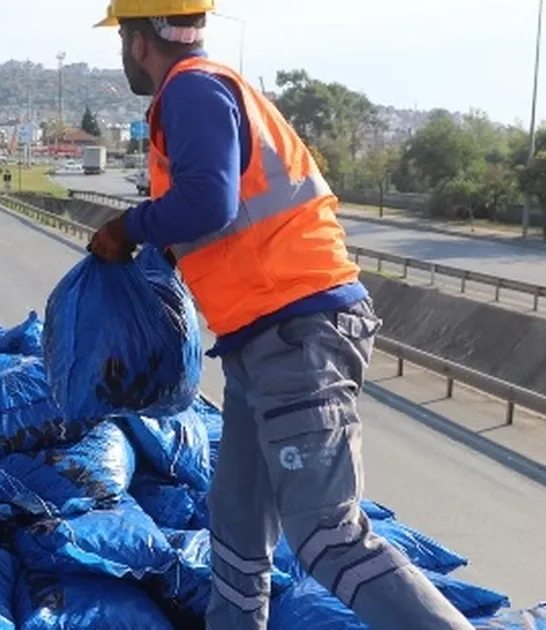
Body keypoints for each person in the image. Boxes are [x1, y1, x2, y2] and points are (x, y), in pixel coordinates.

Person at [88, 3, 475, 629]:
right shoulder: (211, 91)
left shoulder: (191, 91)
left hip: (298, 332)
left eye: (122, 41)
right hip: (259, 340)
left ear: (138, 41)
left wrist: (127, 227)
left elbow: (207, 203)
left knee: (326, 535)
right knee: (238, 530)